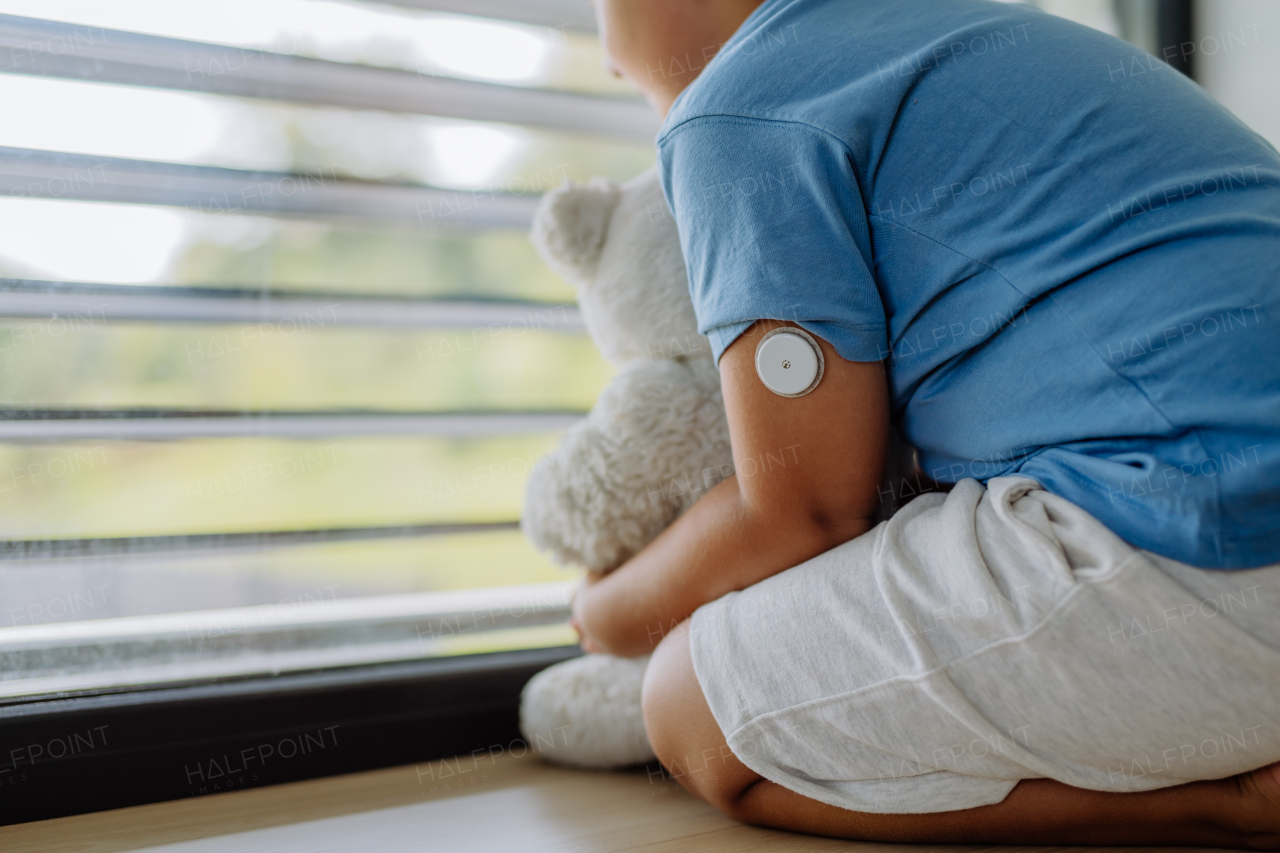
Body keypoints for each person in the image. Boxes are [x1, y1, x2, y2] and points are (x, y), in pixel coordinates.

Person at [570, 0, 1280, 846]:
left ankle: (1230, 800)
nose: (608, 58)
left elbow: (803, 510)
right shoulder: (975, 35)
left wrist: (603, 614)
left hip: (1215, 550)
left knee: (685, 706)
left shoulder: (734, 109)